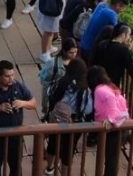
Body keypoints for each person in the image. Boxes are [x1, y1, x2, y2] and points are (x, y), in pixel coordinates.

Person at [0, 60, 37, 176]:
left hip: (16, 137)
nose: (11, 79)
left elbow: (33, 103)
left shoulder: (18, 86)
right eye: (7, 76)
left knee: (16, 169)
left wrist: (22, 103)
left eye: (12, 75)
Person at [44, 40, 88, 176]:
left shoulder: (62, 82)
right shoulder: (85, 88)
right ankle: (64, 172)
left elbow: (51, 96)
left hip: (58, 119)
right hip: (75, 122)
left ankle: (49, 168)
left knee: (53, 143)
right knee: (69, 150)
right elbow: (88, 107)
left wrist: (49, 111)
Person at [90, 65, 131, 176]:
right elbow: (122, 104)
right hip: (123, 124)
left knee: (111, 159)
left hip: (114, 128)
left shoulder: (100, 90)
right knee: (112, 158)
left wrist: (110, 119)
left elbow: (112, 106)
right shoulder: (110, 86)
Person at [93, 23, 133, 88]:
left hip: (97, 80)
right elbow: (132, 69)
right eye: (129, 35)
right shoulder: (123, 50)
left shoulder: (103, 44)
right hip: (110, 84)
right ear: (123, 35)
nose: (129, 38)